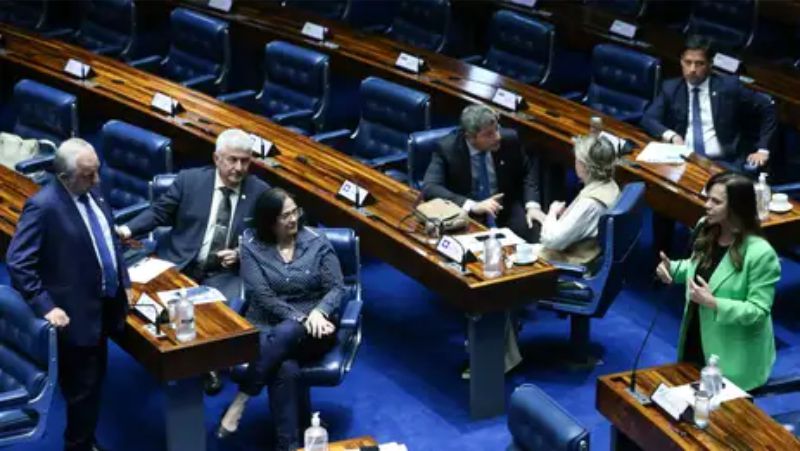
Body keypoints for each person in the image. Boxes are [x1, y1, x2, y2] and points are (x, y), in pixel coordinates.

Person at [117, 128, 269, 393]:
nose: (239, 167)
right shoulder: (189, 181)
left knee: (220, 315)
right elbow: (159, 213)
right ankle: (170, 359)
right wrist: (127, 230)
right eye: (232, 159)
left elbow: (272, 239)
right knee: (146, 308)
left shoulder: (260, 193)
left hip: (223, 273)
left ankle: (205, 364)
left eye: (245, 161)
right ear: (216, 158)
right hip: (180, 262)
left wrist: (242, 252)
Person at [6, 138, 132, 451]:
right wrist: (45, 306)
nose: (98, 180)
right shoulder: (44, 206)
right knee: (82, 390)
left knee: (95, 382)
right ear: (65, 178)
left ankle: (85, 439)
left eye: (97, 171)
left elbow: (111, 241)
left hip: (106, 304)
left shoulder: (94, 190)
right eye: (89, 175)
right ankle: (78, 444)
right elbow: (19, 262)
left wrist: (125, 282)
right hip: (73, 313)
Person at [217, 188, 344, 451]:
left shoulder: (317, 241)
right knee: (285, 367)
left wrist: (318, 313)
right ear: (269, 220)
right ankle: (287, 446)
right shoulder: (252, 245)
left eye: (294, 212)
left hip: (316, 329)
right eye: (284, 215)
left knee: (286, 334)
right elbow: (261, 295)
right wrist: (298, 317)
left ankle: (241, 399)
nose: (293, 219)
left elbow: (336, 288)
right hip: (268, 324)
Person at [655, 172, 780, 390]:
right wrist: (672, 269)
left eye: (716, 201)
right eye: (707, 198)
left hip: (732, 355)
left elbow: (759, 311)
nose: (706, 205)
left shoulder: (760, 253)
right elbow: (698, 268)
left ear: (736, 207)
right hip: (696, 337)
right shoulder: (708, 228)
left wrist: (714, 303)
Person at [641, 35, 777, 169]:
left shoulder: (729, 87)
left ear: (710, 64)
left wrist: (763, 149)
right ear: (681, 62)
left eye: (699, 63)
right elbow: (648, 119)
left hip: (723, 162)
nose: (692, 69)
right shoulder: (671, 88)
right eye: (688, 62)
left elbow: (768, 106)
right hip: (684, 157)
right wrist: (673, 136)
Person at [422, 104, 544, 243]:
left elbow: (527, 171)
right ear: (470, 137)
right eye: (488, 134)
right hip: (468, 214)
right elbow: (430, 187)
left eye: (496, 129)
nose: (497, 137)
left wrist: (532, 206)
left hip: (504, 207)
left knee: (535, 236)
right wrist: (471, 205)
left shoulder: (509, 140)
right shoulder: (448, 149)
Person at [536, 134, 620, 266]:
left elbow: (551, 241)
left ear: (584, 166)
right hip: (592, 253)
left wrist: (552, 212)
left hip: (576, 263)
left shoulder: (590, 203)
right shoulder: (611, 185)